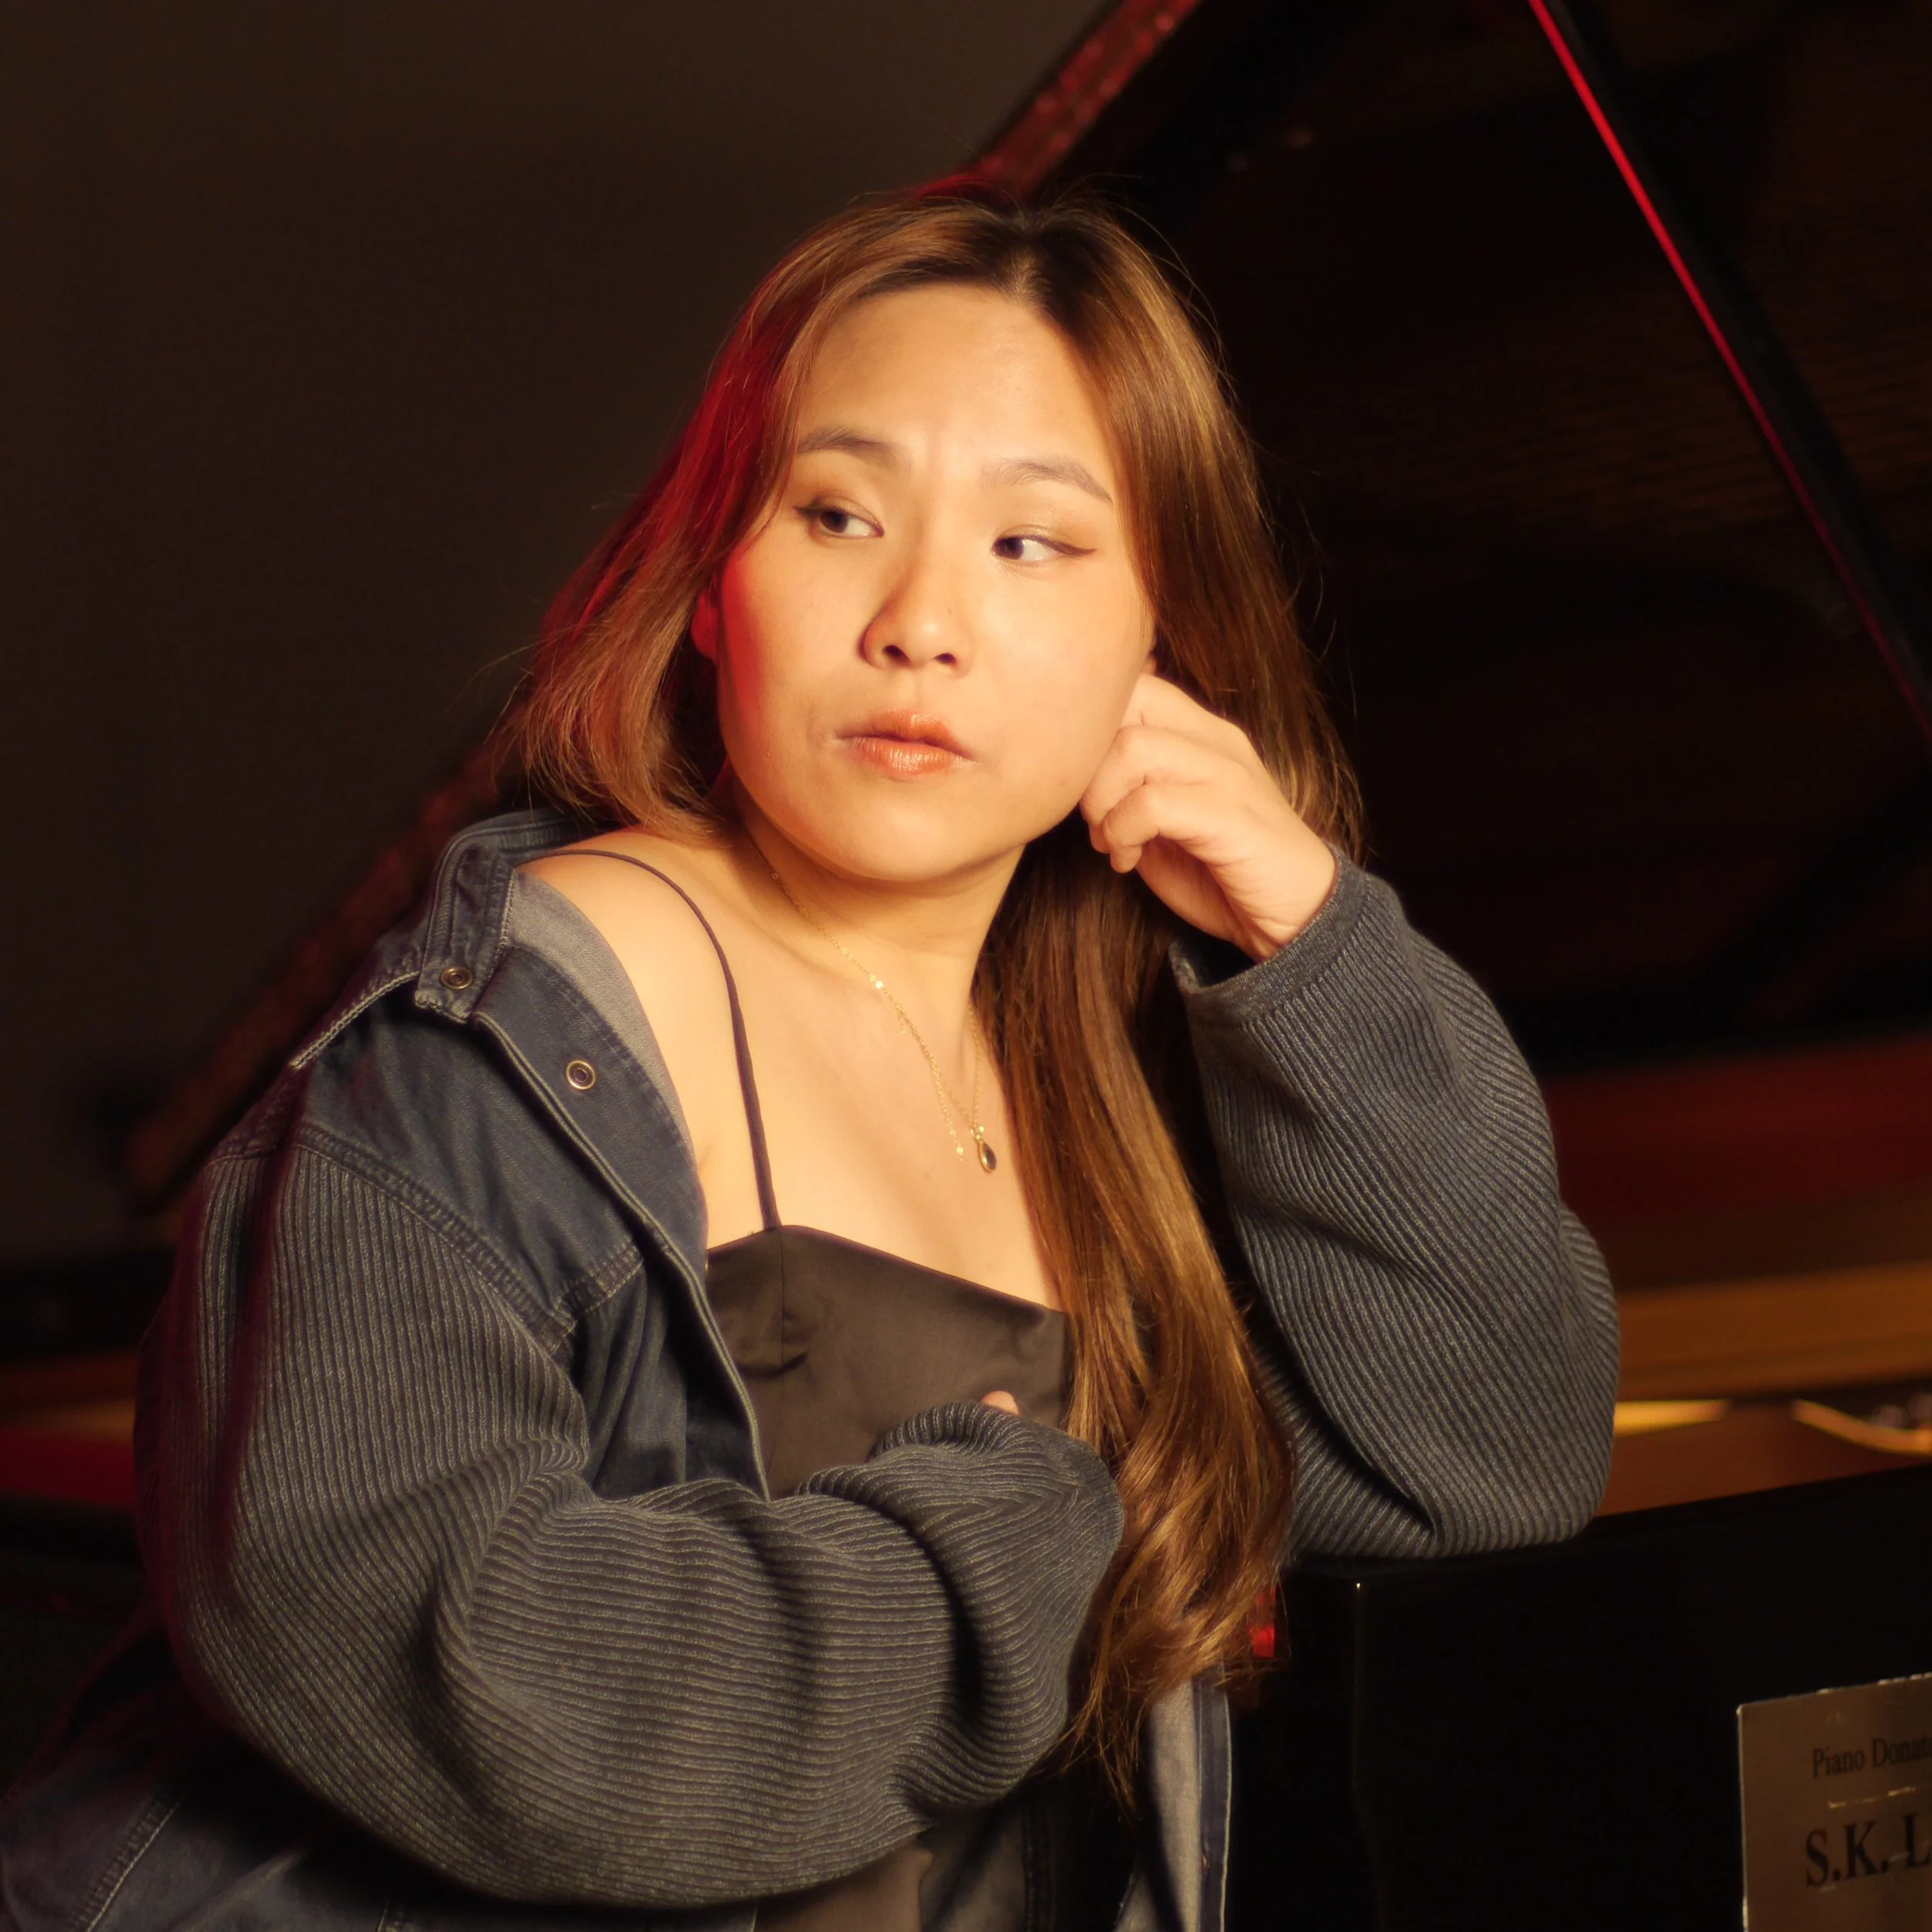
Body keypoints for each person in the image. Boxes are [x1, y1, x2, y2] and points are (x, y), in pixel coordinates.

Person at [0, 186, 1617, 1931]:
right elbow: (469, 1670)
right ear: (713, 590)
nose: (917, 620)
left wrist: (1312, 945)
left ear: (1159, 633)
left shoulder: (1125, 1054)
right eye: (837, 514)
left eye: (1030, 543)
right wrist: (1037, 1535)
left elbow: (1489, 1462)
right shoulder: (492, 1050)